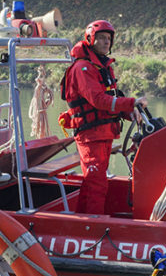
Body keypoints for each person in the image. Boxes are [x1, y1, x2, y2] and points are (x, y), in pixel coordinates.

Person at [60, 20, 147, 214]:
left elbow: (111, 100)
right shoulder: (83, 68)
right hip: (91, 135)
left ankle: (81, 221)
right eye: (101, 38)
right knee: (97, 185)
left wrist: (130, 113)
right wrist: (131, 103)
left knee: (92, 183)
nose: (106, 42)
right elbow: (98, 100)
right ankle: (93, 227)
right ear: (90, 39)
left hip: (103, 133)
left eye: (108, 39)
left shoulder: (101, 67)